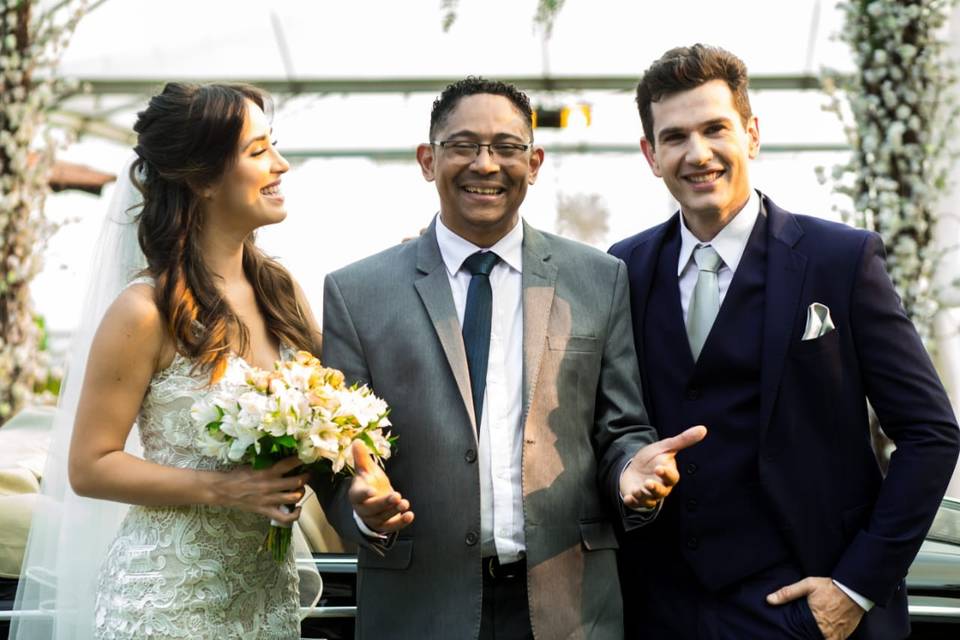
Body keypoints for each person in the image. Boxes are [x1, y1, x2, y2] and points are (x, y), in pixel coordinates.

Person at [315, 76, 705, 639]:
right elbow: (337, 453)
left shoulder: (599, 278)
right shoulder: (357, 293)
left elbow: (620, 427)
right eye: (464, 145)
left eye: (506, 147)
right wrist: (359, 507)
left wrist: (629, 473)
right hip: (420, 605)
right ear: (428, 159)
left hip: (569, 605)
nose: (486, 164)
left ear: (535, 160)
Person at [609, 44, 960, 640]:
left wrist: (853, 589)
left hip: (805, 607)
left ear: (751, 134)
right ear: (651, 154)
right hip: (662, 611)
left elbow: (930, 434)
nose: (698, 154)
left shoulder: (841, 260)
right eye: (674, 137)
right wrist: (625, 480)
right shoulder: (623, 268)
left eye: (715, 128)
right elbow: (609, 426)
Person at [13, 82, 321, 640]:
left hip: (264, 600)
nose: (281, 164)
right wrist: (225, 489)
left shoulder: (281, 292)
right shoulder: (144, 311)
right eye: (258, 152)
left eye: (274, 145)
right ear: (202, 179)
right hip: (165, 604)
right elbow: (90, 465)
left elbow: (329, 413)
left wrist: (366, 470)